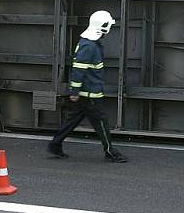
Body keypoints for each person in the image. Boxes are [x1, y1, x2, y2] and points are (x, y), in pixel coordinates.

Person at [48, 10, 128, 162]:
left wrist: (76, 91)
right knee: (102, 123)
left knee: (72, 120)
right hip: (90, 95)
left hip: (86, 94)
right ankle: (110, 151)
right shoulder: (90, 46)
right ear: (102, 27)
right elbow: (78, 70)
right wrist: (74, 91)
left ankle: (55, 144)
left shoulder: (88, 43)